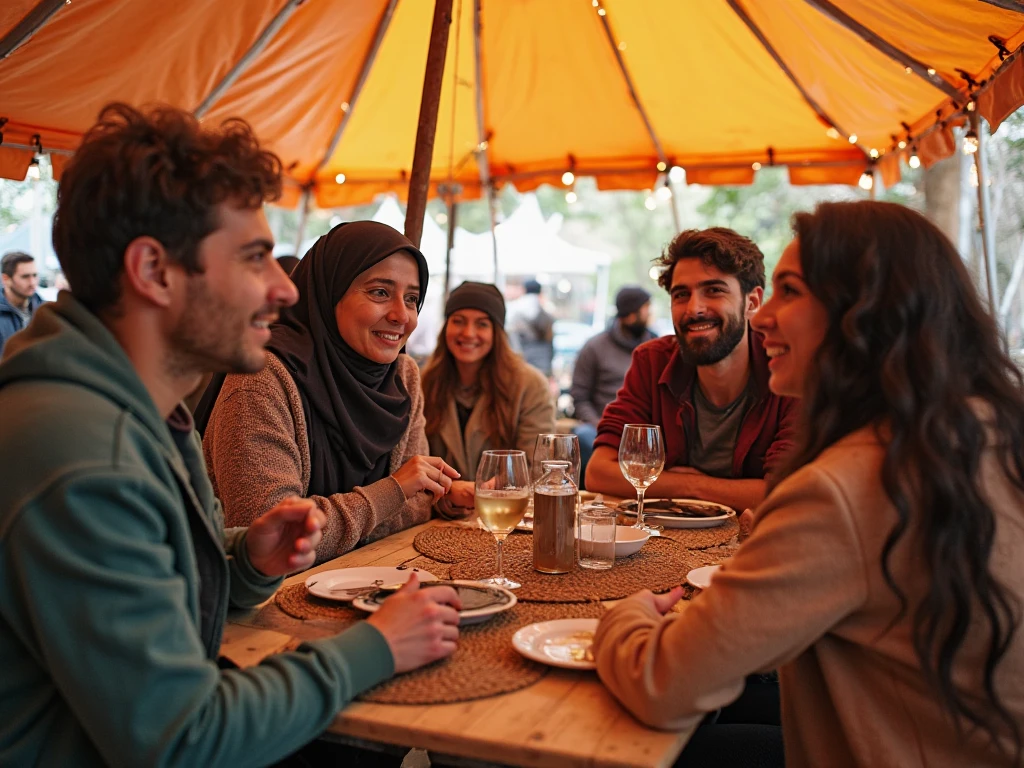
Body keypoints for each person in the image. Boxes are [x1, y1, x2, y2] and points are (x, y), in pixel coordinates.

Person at [0, 103, 462, 767]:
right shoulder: (84, 456)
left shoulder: (150, 413)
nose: (283, 289)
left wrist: (242, 559)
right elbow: (183, 740)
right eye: (254, 259)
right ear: (154, 270)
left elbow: (156, 576)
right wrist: (375, 647)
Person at [594, 201, 1024, 767]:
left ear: (867, 312)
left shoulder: (846, 485)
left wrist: (623, 612)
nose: (765, 315)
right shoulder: (980, 431)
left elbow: (661, 683)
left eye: (789, 292)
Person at [202, 221, 459, 563]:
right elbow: (273, 542)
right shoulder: (263, 378)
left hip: (372, 583)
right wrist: (392, 491)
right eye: (380, 292)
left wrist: (431, 497)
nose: (402, 316)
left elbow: (418, 505)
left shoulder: (402, 376)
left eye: (412, 299)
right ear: (330, 291)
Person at [585, 228, 797, 513]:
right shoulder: (652, 362)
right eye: (681, 294)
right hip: (666, 544)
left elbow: (787, 493)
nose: (694, 309)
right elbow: (599, 472)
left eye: (714, 290)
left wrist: (696, 486)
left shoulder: (789, 370)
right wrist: (685, 486)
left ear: (753, 302)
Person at [421, 281, 555, 516]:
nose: (468, 333)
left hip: (506, 515)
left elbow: (537, 469)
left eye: (481, 324)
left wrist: (487, 491)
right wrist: (448, 491)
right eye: (458, 321)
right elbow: (412, 462)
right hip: (438, 517)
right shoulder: (423, 383)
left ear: (497, 332)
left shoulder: (531, 386)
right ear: (446, 327)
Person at [570, 285, 657, 484]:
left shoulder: (655, 346)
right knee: (583, 436)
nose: (649, 314)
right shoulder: (594, 347)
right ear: (631, 314)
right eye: (646, 309)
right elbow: (580, 397)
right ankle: (593, 494)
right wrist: (601, 426)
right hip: (600, 425)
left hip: (644, 430)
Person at [506, 277, 555, 376]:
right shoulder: (547, 315)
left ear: (524, 290)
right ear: (540, 292)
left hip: (522, 368)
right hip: (543, 368)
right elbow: (550, 346)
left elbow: (513, 344)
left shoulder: (514, 312)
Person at [0, 250, 44, 354]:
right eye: (25, 277)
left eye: (35, 275)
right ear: (6, 279)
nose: (32, 283)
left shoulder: (45, 311)